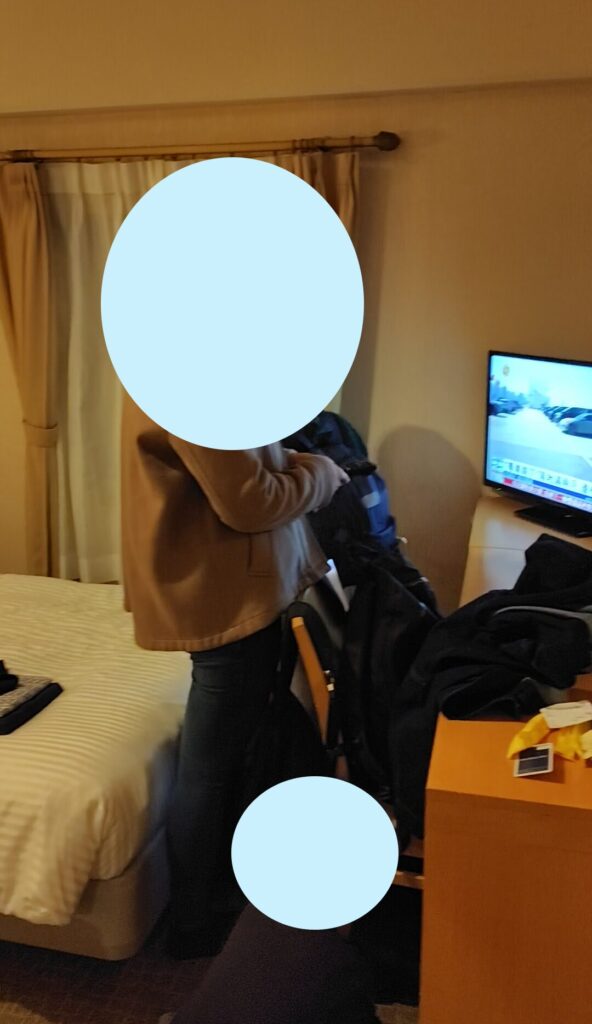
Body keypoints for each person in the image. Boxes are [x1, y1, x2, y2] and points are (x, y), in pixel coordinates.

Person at [120, 393, 349, 958]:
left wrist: (296, 463)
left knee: (224, 754)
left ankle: (212, 892)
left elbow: (244, 467)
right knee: (208, 768)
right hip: (225, 595)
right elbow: (248, 502)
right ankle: (194, 921)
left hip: (234, 585)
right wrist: (321, 474)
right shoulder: (191, 381)